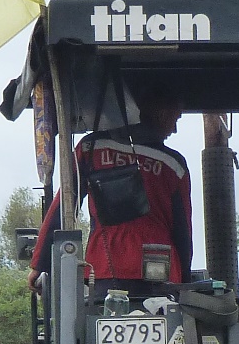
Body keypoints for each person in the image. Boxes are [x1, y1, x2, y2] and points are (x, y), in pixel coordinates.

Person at [27, 95, 193, 295]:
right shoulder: (173, 164)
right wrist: (185, 280)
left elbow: (64, 205)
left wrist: (40, 263)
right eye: (175, 120)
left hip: (104, 266)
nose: (174, 129)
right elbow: (183, 230)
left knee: (96, 320)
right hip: (160, 269)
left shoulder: (91, 148)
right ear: (160, 114)